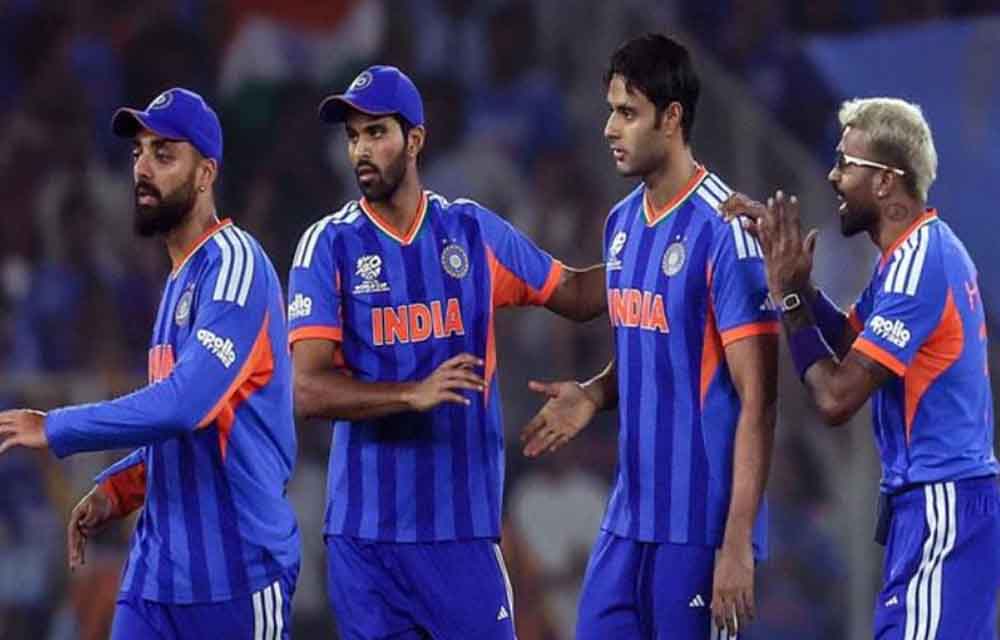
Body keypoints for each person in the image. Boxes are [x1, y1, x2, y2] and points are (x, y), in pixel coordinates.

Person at [287, 65, 605, 640]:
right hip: (366, 542)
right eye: (353, 136)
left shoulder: (472, 233)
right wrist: (411, 394)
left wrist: (659, 251)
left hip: (461, 534)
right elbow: (305, 389)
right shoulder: (327, 245)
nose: (361, 150)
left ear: (415, 139)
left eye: (376, 132)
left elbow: (579, 295)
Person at [0, 87, 300, 639]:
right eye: (138, 152)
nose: (142, 167)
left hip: (236, 578)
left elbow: (185, 405)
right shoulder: (178, 280)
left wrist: (56, 426)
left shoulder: (236, 267)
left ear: (206, 173)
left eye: (164, 155)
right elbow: (188, 434)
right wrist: (118, 490)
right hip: (156, 579)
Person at [519, 34, 779, 638]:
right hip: (629, 517)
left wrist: (737, 542)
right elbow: (656, 348)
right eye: (610, 110)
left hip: (700, 525)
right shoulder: (621, 223)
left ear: (672, 118)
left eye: (627, 113)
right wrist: (594, 393)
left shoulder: (725, 229)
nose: (610, 129)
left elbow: (760, 399)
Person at [724, 97, 1000, 639]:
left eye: (845, 163)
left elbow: (835, 397)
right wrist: (800, 286)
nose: (832, 176)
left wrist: (788, 299)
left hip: (942, 504)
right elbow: (852, 343)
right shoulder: (910, 256)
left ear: (886, 181)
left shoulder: (920, 265)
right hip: (933, 506)